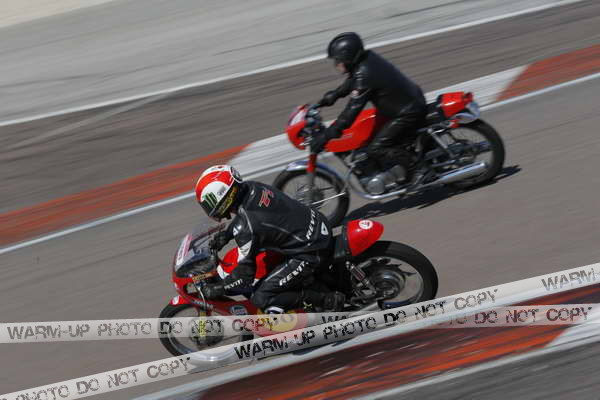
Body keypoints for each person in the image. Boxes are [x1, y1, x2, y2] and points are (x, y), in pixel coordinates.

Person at [194, 165, 345, 313]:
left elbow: (245, 277)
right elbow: (248, 217)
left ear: (222, 196)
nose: (208, 208)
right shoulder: (252, 187)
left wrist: (220, 287)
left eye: (208, 203)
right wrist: (227, 235)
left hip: (311, 250)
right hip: (316, 223)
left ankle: (327, 300)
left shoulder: (247, 228)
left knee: (261, 298)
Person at [313, 32, 428, 182]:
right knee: (367, 138)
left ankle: (420, 170)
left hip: (407, 112)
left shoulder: (365, 73)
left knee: (376, 148)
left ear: (349, 57)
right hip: (405, 103)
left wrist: (327, 135)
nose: (336, 64)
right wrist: (332, 96)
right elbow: (353, 81)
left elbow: (351, 112)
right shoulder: (366, 60)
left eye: (338, 60)